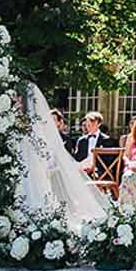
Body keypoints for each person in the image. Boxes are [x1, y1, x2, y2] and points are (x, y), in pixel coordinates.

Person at [16, 84, 110, 225]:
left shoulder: (36, 128)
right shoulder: (18, 125)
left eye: (17, 98)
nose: (15, 101)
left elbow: (48, 152)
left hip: (37, 169)